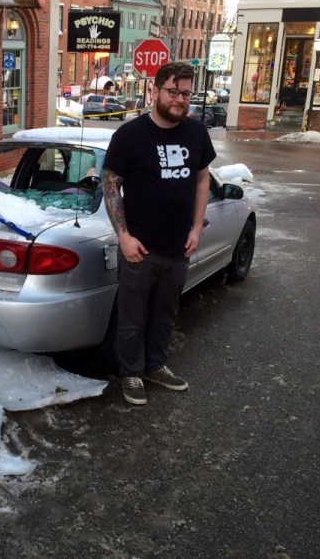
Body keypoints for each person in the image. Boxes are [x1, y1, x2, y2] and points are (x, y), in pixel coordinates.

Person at [101, 62, 216, 405]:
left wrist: (196, 228)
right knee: (133, 317)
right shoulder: (130, 135)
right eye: (174, 91)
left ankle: (155, 366)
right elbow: (111, 186)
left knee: (166, 315)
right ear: (155, 91)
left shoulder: (196, 133)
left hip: (178, 247)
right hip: (140, 248)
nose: (181, 99)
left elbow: (202, 179)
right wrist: (123, 236)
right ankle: (131, 374)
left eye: (186, 93)